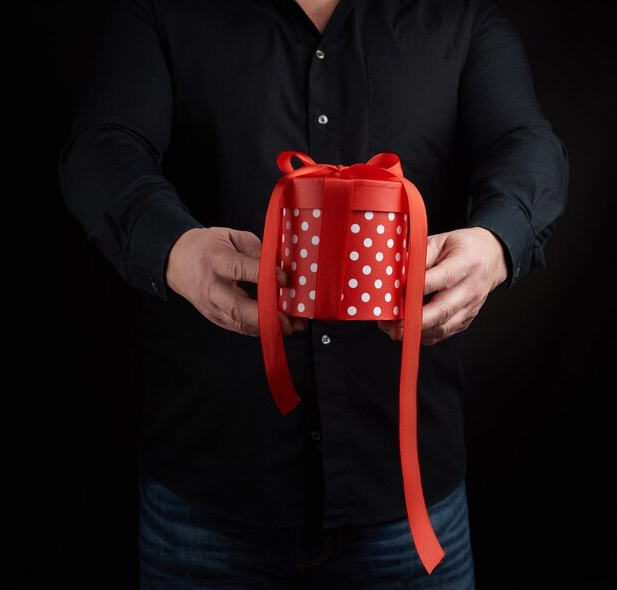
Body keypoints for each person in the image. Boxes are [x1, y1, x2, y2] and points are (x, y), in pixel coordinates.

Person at [59, 0, 568, 587]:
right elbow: (101, 147)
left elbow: (528, 144)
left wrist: (498, 240)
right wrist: (173, 250)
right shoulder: (161, 12)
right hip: (204, 505)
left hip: (408, 511)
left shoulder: (463, 17)